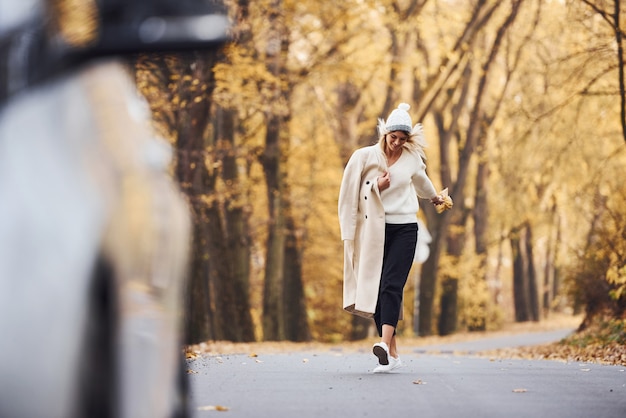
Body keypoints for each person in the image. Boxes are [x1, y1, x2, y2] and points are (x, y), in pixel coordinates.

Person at [338, 102, 447, 373]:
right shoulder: (365, 158)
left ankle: (384, 346)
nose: (397, 143)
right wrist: (376, 185)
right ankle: (394, 354)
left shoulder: (411, 159)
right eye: (393, 137)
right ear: (384, 134)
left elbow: (422, 183)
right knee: (376, 289)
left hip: (406, 229)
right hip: (375, 230)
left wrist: (436, 198)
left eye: (402, 139)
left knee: (391, 284)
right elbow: (351, 192)